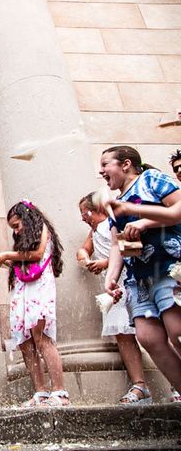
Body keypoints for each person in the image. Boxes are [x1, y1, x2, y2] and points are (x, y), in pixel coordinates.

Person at [99, 145, 181, 405]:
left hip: (169, 266)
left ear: (125, 164)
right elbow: (116, 245)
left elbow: (178, 209)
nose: (100, 171)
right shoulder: (116, 203)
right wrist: (111, 276)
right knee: (149, 337)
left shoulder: (152, 180)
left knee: (177, 331)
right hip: (139, 278)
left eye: (105, 164)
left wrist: (142, 219)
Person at [0, 200, 69, 407]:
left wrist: (7, 254)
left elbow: (36, 255)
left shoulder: (42, 228)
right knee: (25, 343)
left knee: (42, 338)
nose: (16, 232)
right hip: (22, 292)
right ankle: (41, 392)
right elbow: (17, 265)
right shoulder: (22, 243)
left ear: (28, 219)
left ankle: (60, 392)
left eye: (17, 226)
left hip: (39, 290)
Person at [77, 193, 151, 405]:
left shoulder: (115, 222)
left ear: (96, 209)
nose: (82, 217)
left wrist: (105, 263)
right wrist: (84, 256)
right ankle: (140, 385)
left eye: (84, 212)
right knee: (121, 333)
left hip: (130, 280)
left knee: (149, 330)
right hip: (112, 287)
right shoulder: (94, 230)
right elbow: (83, 249)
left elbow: (129, 248)